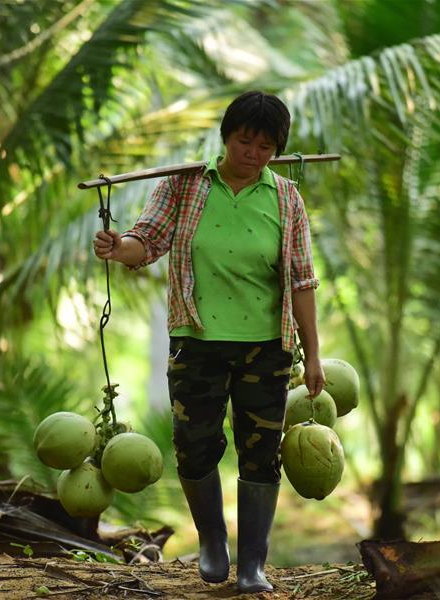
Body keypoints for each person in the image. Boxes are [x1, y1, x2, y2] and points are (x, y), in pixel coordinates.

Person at [92, 90, 324, 593]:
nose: (253, 154)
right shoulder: (185, 185)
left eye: (265, 146)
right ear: (226, 137)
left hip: (266, 346)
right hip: (196, 342)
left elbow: (303, 281)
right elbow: (146, 242)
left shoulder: (286, 198)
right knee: (195, 447)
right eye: (244, 141)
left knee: (261, 451)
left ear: (277, 149)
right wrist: (117, 250)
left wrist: (314, 356)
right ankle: (212, 542)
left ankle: (253, 565)